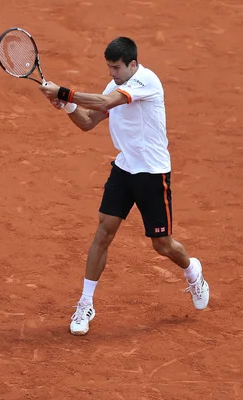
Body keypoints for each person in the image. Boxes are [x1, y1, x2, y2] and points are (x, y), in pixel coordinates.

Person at [39, 37, 209, 336]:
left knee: (163, 245)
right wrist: (66, 105)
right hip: (124, 169)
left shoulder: (146, 81)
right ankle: (85, 303)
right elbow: (88, 122)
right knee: (104, 231)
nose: (112, 74)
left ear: (133, 64)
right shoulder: (115, 86)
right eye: (109, 68)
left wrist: (64, 91)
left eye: (116, 68)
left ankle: (192, 271)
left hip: (152, 174)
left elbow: (105, 103)